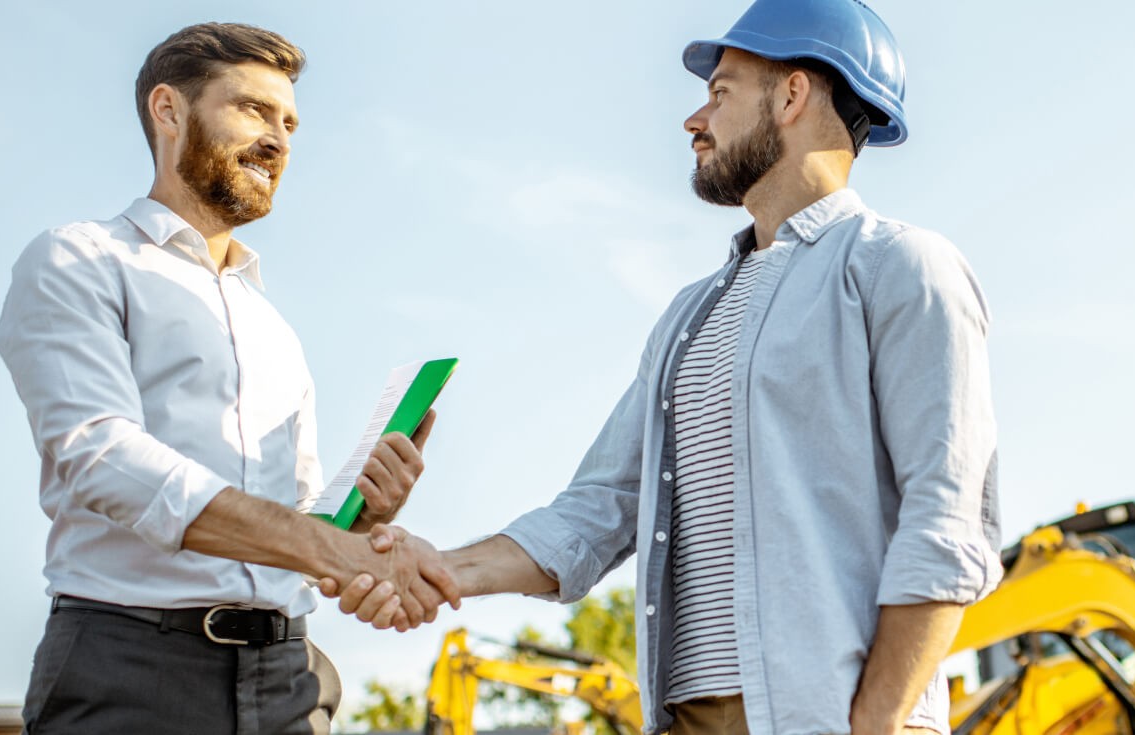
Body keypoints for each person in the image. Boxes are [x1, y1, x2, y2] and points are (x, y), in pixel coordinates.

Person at [335, 0, 1002, 732]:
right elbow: (596, 509)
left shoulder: (902, 267)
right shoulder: (688, 317)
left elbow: (947, 524)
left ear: (791, 95)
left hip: (829, 715)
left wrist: (874, 722)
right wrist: (440, 568)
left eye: (720, 93)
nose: (694, 119)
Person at [0, 22, 458, 734]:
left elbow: (298, 525)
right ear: (169, 110)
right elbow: (99, 453)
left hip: (290, 682)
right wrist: (322, 543)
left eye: (290, 122)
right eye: (252, 109)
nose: (279, 138)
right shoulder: (78, 259)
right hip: (130, 673)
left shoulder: (273, 326)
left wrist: (358, 519)